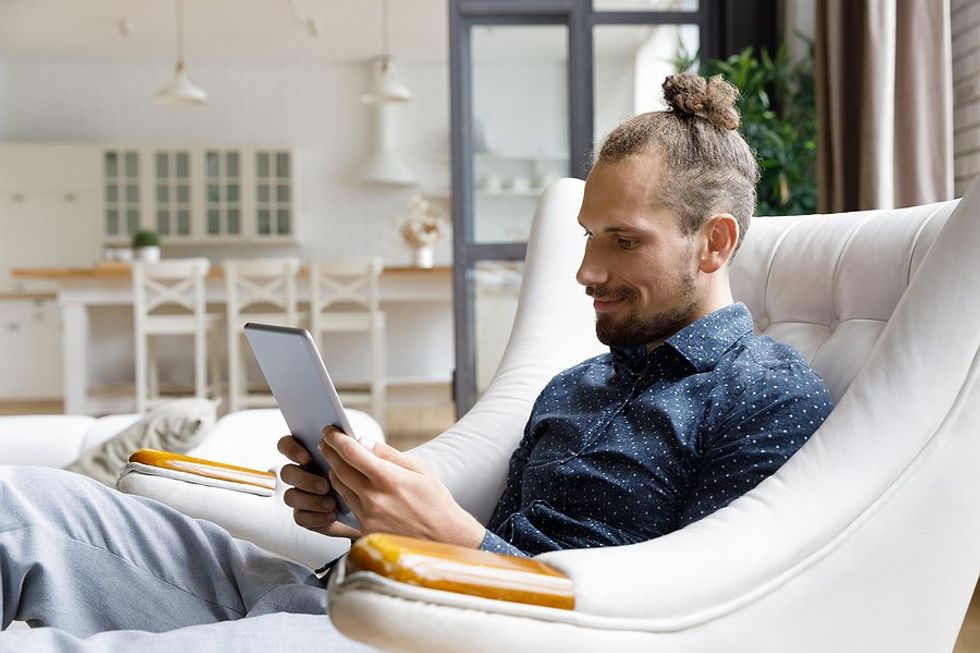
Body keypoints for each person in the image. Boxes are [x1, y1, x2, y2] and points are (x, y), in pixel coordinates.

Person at [0, 73, 832, 651]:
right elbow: (488, 536)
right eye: (586, 239)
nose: (586, 272)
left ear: (714, 240)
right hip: (358, 588)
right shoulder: (575, 384)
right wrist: (360, 504)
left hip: (451, 637)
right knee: (20, 503)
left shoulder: (766, 397)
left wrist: (454, 540)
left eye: (623, 242)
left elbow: (696, 619)